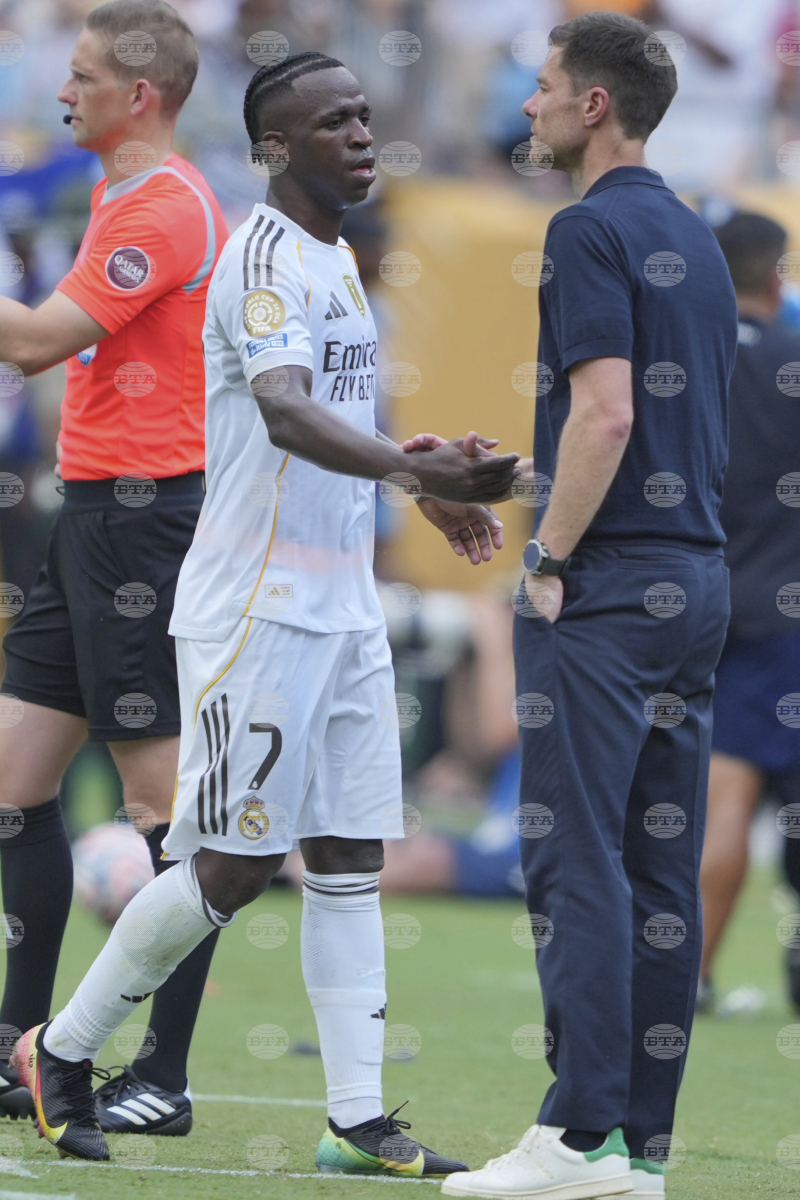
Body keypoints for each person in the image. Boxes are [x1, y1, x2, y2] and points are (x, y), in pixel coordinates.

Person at [11, 52, 519, 1167]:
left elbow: (330, 425)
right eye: (335, 122)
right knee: (234, 865)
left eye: (364, 116)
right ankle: (63, 1047)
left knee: (346, 856)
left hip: (342, 609)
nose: (361, 135)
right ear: (276, 147)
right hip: (258, 608)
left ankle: (355, 1120)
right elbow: (286, 413)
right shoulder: (263, 256)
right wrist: (417, 469)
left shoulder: (336, 257)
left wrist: (416, 479)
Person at [437, 14, 737, 1200]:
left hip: (605, 587)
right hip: (689, 580)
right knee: (656, 866)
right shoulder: (696, 234)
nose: (528, 103)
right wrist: (514, 478)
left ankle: (574, 1138)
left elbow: (607, 418)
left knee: (574, 856)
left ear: (593, 104)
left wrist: (544, 555)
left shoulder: (582, 227)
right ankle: (634, 1149)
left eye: (544, 84)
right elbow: (646, 439)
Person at [0, 0, 228, 1134]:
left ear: (139, 95)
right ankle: (18, 1047)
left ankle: (161, 1075)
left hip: (144, 524)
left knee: (161, 811)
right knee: (14, 785)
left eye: (83, 76)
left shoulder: (165, 207)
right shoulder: (116, 195)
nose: (62, 91)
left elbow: (40, 342)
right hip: (89, 515)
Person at [697, 211, 800, 1013]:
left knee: (707, 792)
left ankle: (681, 976)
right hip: (781, 609)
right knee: (735, 793)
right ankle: (690, 976)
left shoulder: (685, 358)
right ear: (775, 275)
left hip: (690, 597)